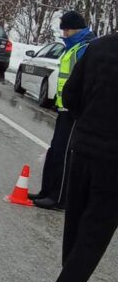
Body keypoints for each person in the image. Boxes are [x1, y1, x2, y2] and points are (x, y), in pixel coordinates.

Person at [36, 32, 118, 282]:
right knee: (94, 234)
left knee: (76, 222)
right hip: (113, 161)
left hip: (82, 148)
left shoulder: (97, 47)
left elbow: (70, 94)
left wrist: (91, 118)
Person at [29, 11, 95, 210]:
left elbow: (87, 82)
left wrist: (78, 108)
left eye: (66, 29)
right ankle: (47, 191)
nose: (64, 33)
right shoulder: (73, 47)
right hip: (63, 108)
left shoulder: (85, 48)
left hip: (75, 112)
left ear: (77, 28)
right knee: (55, 151)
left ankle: (59, 199)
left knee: (66, 155)